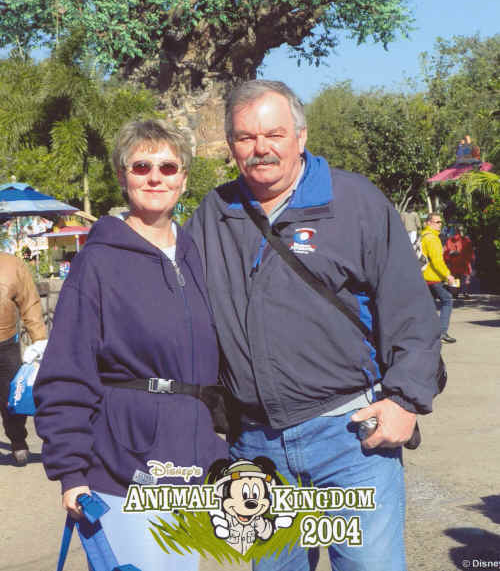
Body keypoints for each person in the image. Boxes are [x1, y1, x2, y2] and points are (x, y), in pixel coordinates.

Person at [187, 80, 442, 571]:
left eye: (274, 134)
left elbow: (410, 311)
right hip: (257, 451)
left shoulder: (354, 202)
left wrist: (407, 401)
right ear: (231, 146)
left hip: (349, 439)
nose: (261, 148)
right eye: (245, 137)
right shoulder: (212, 215)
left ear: (300, 137)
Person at [34, 119, 228, 571]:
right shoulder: (96, 262)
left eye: (167, 166)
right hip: (121, 464)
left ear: (183, 177)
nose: (155, 176)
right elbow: (65, 371)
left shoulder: (197, 254)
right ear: (123, 176)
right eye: (141, 166)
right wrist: (71, 471)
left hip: (191, 460)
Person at [0, 252, 47, 465]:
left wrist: (39, 341)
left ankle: (18, 441)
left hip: (5, 343)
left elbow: (29, 302)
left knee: (11, 398)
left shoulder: (11, 264)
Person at [421, 214, 457, 344]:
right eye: (436, 222)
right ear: (428, 223)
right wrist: (448, 275)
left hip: (423, 276)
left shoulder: (423, 236)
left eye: (441, 222)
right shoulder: (432, 239)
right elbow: (437, 261)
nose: (439, 224)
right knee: (447, 300)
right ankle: (441, 332)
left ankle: (426, 333)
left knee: (428, 305)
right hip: (433, 277)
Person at [444, 226, 475, 297]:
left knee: (455, 278)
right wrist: (472, 260)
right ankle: (465, 292)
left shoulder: (449, 241)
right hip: (465, 263)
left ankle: (455, 293)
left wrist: (448, 259)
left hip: (454, 263)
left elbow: (445, 252)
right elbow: (471, 251)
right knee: (465, 279)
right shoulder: (466, 240)